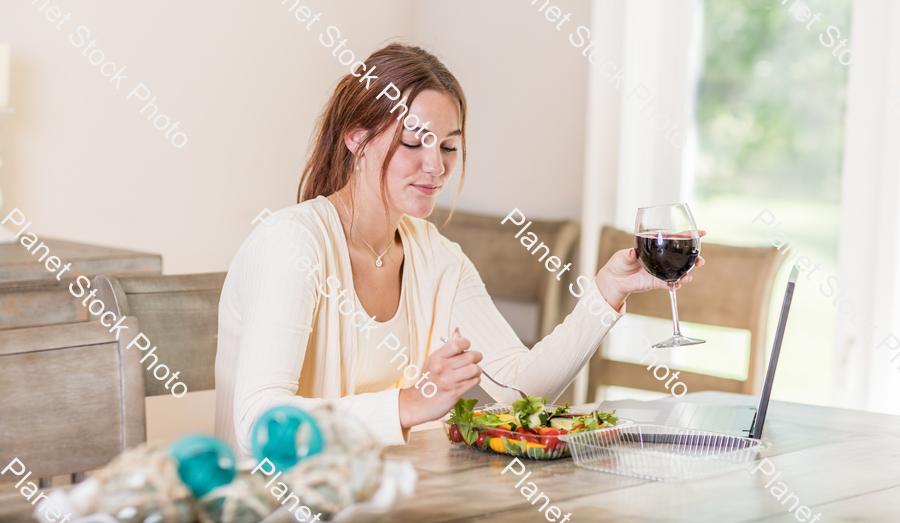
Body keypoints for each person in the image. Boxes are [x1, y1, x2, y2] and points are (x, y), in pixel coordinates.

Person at [214, 43, 704, 456]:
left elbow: (518, 389)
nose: (436, 166)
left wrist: (607, 293)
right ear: (357, 139)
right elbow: (260, 422)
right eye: (414, 142)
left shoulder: (436, 256)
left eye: (449, 147)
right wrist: (409, 402)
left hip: (394, 502)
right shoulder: (292, 244)